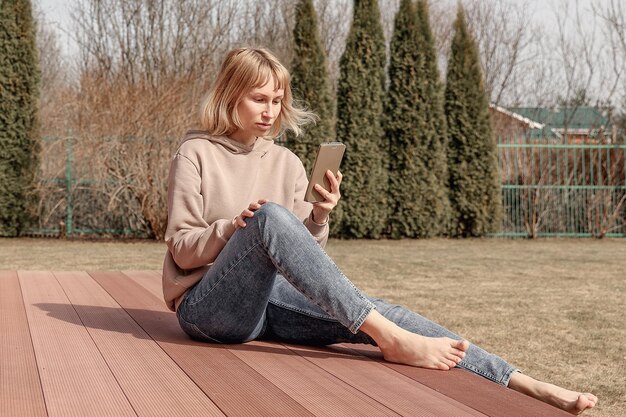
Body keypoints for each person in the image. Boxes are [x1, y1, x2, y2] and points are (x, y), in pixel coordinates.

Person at [163, 47, 597, 414]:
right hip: (208, 309)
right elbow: (183, 251)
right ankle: (388, 338)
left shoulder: (287, 163)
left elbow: (302, 256)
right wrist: (232, 227)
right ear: (230, 96)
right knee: (271, 219)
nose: (270, 111)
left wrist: (318, 217)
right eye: (259, 99)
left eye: (277, 100)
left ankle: (524, 383)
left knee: (388, 311)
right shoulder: (196, 153)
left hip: (268, 304)